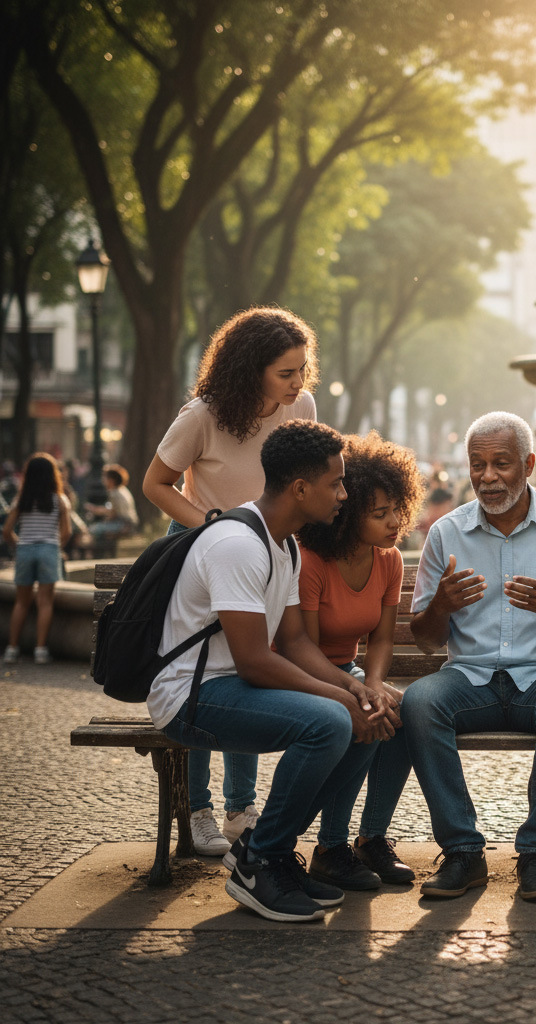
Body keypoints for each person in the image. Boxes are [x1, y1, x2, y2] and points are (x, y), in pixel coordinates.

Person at [148, 420, 397, 922]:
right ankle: (259, 865)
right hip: (190, 695)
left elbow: (297, 643)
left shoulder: (283, 545)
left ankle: (268, 852)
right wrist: (342, 700)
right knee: (331, 722)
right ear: (300, 489)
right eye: (336, 484)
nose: (344, 495)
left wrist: (356, 689)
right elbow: (254, 661)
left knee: (364, 717)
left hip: (230, 686)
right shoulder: (238, 544)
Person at [402, 411, 536, 901]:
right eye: (477, 464)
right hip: (469, 679)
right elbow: (427, 641)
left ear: (528, 465)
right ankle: (462, 853)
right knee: (419, 701)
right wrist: (441, 606)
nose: (487, 477)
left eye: (501, 463)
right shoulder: (446, 533)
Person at [142, 306, 319, 856]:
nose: (298, 382)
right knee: (203, 671)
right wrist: (214, 526)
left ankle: (241, 808)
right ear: (249, 369)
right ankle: (197, 810)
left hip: (265, 549)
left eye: (302, 369)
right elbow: (157, 483)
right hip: (203, 549)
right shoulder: (202, 415)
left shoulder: (301, 407)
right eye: (285, 372)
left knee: (250, 670)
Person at [295, 430, 425, 888]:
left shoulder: (388, 560)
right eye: (379, 514)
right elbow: (304, 651)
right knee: (364, 716)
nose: (395, 523)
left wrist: (372, 683)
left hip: (345, 671)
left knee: (405, 712)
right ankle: (330, 849)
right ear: (348, 515)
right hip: (300, 673)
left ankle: (371, 839)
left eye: (396, 510)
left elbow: (382, 640)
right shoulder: (311, 561)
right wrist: (358, 693)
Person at [3, 453, 72, 665]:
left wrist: (18, 544)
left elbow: (6, 530)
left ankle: (12, 649)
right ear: (53, 475)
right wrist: (55, 547)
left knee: (21, 602)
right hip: (49, 549)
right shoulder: (59, 500)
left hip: (25, 549)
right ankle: (40, 650)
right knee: (45, 602)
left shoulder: (21, 500)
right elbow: (67, 532)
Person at [85, 464, 139, 544]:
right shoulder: (122, 489)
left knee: (94, 529)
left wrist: (94, 509)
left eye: (105, 477)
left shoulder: (114, 493)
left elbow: (112, 513)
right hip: (130, 523)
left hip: (125, 524)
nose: (102, 480)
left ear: (111, 480)